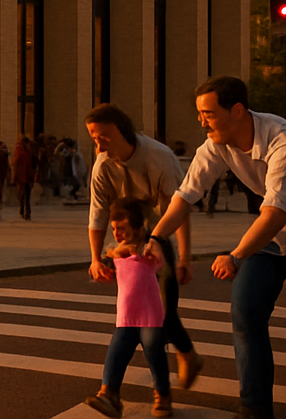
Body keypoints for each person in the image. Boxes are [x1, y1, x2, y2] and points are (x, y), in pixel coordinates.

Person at [149, 76, 286, 419]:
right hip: (268, 240)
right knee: (245, 314)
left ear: (237, 111)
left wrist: (235, 255)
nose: (202, 122)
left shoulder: (285, 141)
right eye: (200, 114)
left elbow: (276, 212)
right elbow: (186, 195)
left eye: (208, 114)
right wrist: (155, 238)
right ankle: (255, 408)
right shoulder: (216, 144)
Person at [85, 103, 202, 390]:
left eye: (104, 137)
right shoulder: (102, 165)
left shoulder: (159, 158)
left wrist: (184, 259)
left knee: (164, 310)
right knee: (134, 316)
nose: (99, 145)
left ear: (123, 132)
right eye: (94, 137)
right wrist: (95, 259)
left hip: (159, 236)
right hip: (127, 239)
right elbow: (97, 214)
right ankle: (113, 389)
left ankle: (184, 358)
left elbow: (179, 210)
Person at [84, 196, 173, 418]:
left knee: (154, 352)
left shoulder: (149, 249)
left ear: (139, 227)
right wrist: (101, 269)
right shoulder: (115, 251)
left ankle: (162, 393)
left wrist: (144, 251)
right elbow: (109, 260)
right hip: (126, 315)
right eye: (114, 229)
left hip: (151, 315)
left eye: (122, 229)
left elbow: (162, 264)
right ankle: (109, 394)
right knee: (116, 352)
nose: (117, 234)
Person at [13, 135, 38, 220]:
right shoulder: (21, 152)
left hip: (26, 175)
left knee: (25, 194)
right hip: (23, 175)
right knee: (24, 194)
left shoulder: (27, 152)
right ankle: (24, 211)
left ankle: (26, 211)